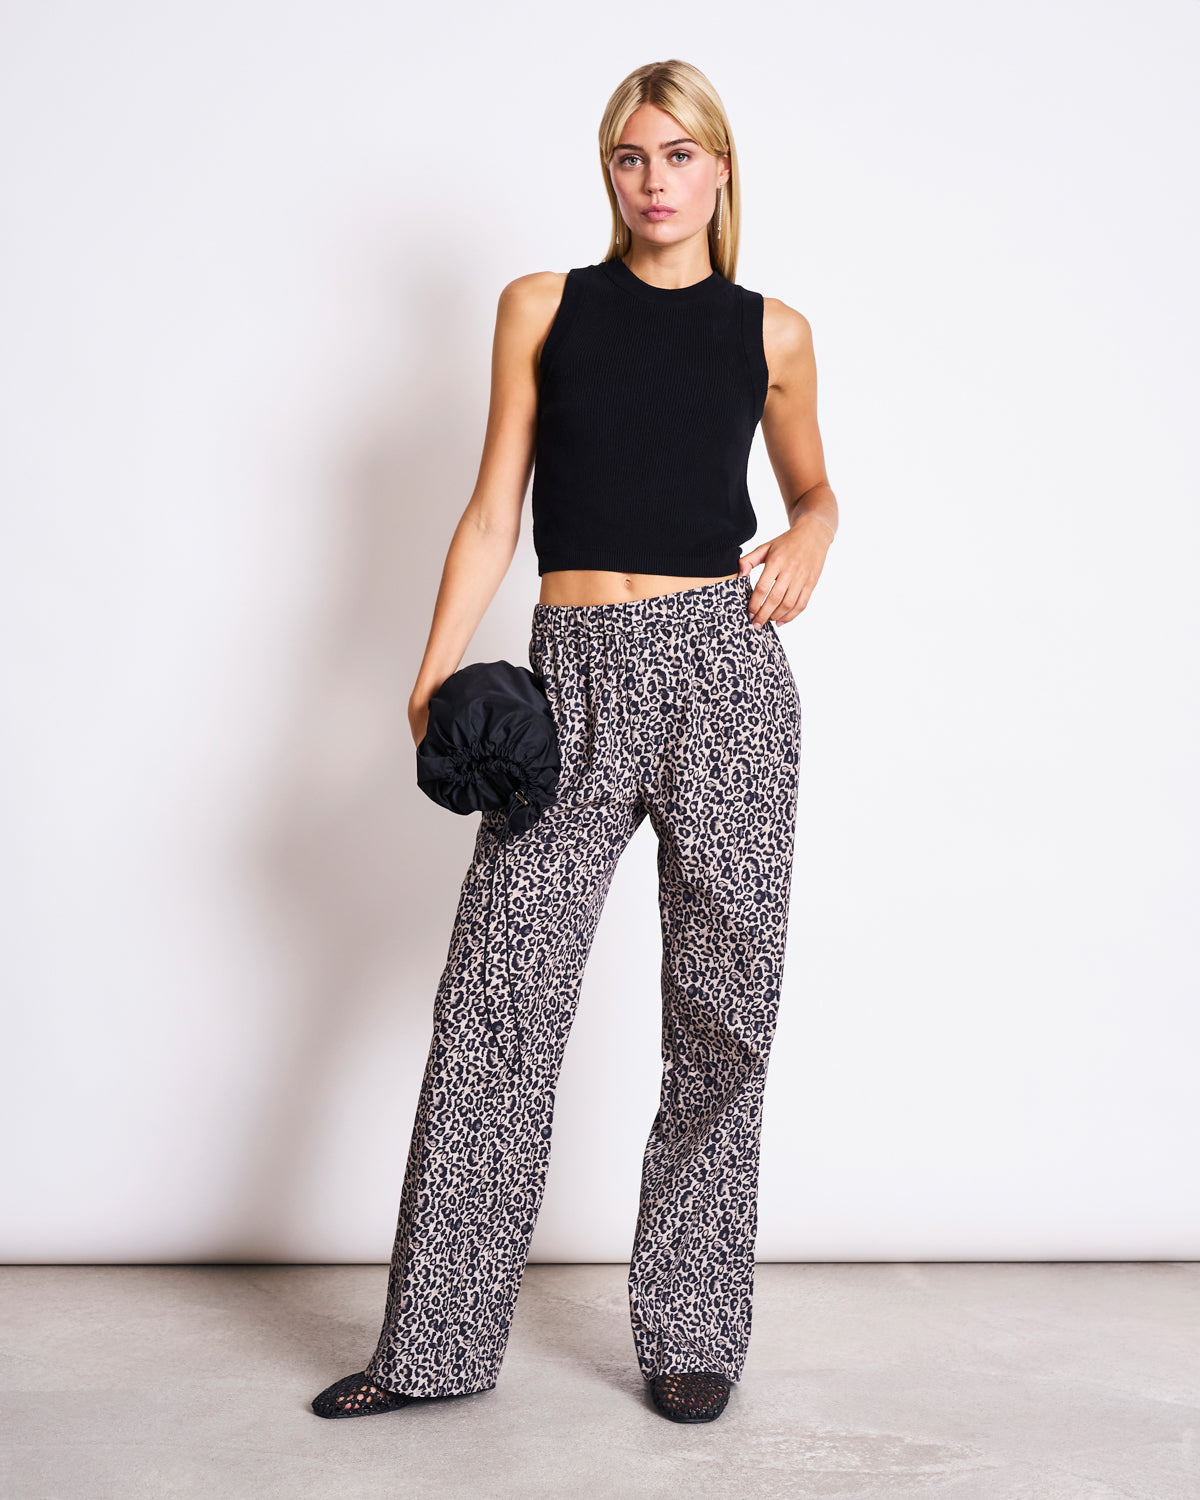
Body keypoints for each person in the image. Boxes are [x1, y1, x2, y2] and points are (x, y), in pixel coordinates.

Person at [311, 56, 838, 1426]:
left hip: (725, 678)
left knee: (724, 1017)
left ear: (722, 169)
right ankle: (429, 1348)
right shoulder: (542, 309)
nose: (654, 181)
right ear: (606, 171)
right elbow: (496, 507)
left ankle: (693, 1330)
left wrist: (818, 534)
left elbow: (814, 485)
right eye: (629, 156)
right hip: (573, 677)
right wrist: (428, 676)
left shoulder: (771, 332)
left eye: (679, 155)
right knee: (496, 1006)